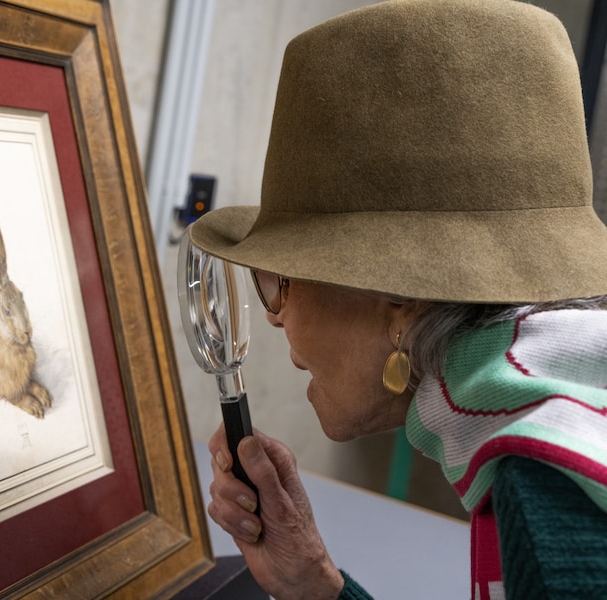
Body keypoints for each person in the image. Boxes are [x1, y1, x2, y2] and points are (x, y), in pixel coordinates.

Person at [187, 0, 607, 598]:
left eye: (280, 279)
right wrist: (314, 582)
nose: (275, 317)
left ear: (399, 300)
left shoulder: (556, 494)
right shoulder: (560, 408)